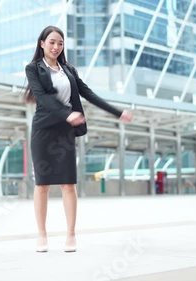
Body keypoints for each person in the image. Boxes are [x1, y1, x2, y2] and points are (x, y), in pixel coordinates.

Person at [24, 26, 133, 253]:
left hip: (65, 132)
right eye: (52, 42)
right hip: (43, 131)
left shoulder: (69, 70)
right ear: (42, 43)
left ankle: (71, 236)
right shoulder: (33, 69)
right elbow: (42, 99)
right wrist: (67, 113)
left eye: (60, 43)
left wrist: (117, 112)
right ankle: (42, 236)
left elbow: (88, 93)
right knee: (42, 185)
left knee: (67, 183)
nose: (56, 47)